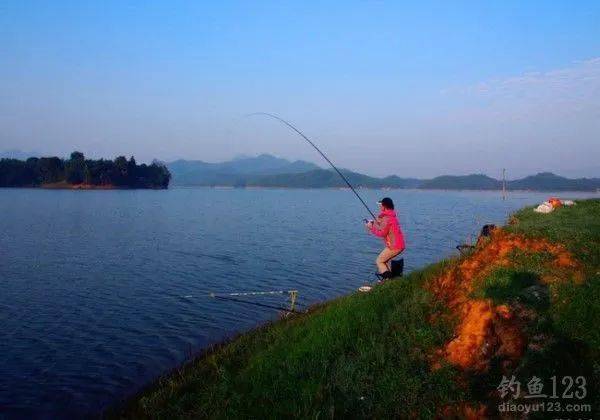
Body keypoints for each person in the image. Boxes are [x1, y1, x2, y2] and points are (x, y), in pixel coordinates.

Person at [365, 197, 405, 280]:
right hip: (398, 244)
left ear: (384, 206)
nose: (380, 207)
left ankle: (389, 281)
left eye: (381, 205)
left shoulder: (387, 218)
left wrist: (371, 227)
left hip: (394, 246)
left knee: (379, 261)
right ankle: (390, 280)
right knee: (385, 261)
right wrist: (375, 223)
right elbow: (384, 226)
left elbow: (382, 233)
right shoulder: (391, 216)